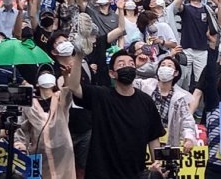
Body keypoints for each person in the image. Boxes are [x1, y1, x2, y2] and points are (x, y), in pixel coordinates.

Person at [67, 49, 165, 179]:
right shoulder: (101, 96)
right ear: (112, 73)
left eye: (131, 64)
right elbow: (74, 87)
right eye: (121, 64)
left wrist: (157, 164)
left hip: (135, 173)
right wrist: (78, 56)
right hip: (101, 173)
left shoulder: (146, 101)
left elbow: (153, 137)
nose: (127, 67)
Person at [17, 68, 75, 179]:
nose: (46, 76)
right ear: (37, 83)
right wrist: (21, 146)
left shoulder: (59, 99)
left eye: (49, 74)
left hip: (62, 151)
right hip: (38, 152)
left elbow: (68, 94)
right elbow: (22, 129)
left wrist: (66, 76)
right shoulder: (29, 104)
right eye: (43, 75)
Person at [133, 57, 196, 151]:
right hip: (142, 138)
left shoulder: (179, 97)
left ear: (176, 73)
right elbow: (128, 83)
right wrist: (135, 66)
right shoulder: (145, 85)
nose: (165, 68)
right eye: (162, 65)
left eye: (169, 66)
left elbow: (187, 120)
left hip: (167, 143)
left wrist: (189, 138)